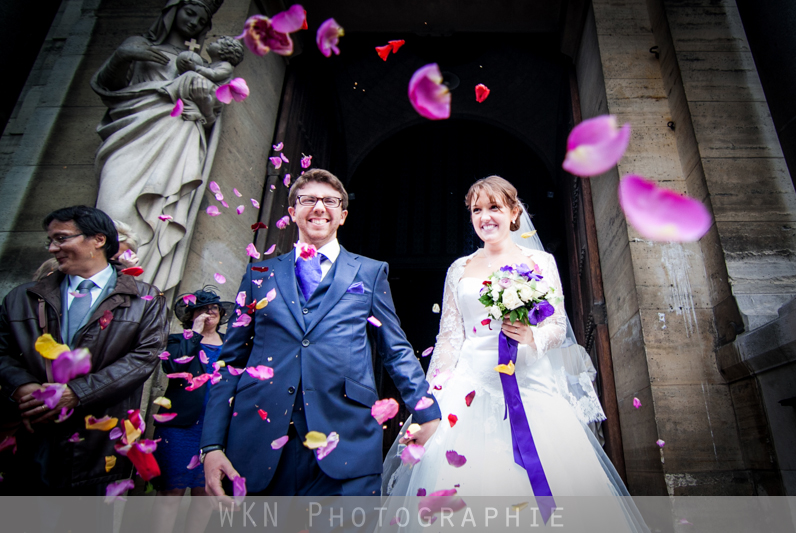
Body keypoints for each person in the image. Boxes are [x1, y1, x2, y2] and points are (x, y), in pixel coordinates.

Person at [383, 176, 648, 531]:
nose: (485, 217)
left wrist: (530, 336)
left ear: (513, 212)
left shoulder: (540, 261)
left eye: (494, 207)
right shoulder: (459, 269)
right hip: (470, 387)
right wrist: (430, 403)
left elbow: (556, 328)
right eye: (477, 210)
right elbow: (448, 339)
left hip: (530, 381)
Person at [201, 169, 441, 497]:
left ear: (342, 215)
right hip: (260, 441)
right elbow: (229, 363)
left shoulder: (370, 273)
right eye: (308, 200)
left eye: (329, 201)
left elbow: (395, 349)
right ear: (292, 212)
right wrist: (211, 445)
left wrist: (426, 410)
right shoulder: (259, 274)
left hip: (347, 440)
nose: (318, 207)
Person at [0, 205, 168, 495]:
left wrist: (76, 394)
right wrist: (22, 388)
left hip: (96, 449)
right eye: (50, 240)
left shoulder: (147, 300)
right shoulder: (22, 298)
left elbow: (143, 359)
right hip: (32, 439)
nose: (53, 248)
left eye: (62, 238)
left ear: (98, 240)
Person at [91, 0, 225, 294]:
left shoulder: (201, 64)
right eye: (190, 12)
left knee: (162, 212)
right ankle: (95, 287)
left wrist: (202, 95)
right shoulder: (137, 45)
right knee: (114, 212)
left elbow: (212, 112)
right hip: (133, 131)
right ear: (172, 11)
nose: (194, 23)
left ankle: (138, 289)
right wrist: (121, 58)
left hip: (178, 136)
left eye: (201, 20)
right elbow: (107, 86)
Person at [150, 287, 233, 533]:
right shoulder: (177, 341)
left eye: (214, 308)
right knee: (171, 493)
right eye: (203, 309)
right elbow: (173, 366)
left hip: (215, 429)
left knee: (205, 494)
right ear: (192, 314)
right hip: (179, 428)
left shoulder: (231, 344)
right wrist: (194, 333)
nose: (210, 312)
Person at [177, 36, 244, 85]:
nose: (212, 42)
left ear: (225, 51)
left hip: (212, 93)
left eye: (216, 42)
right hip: (206, 88)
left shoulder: (226, 66)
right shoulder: (213, 64)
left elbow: (213, 74)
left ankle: (171, 90)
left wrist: (195, 67)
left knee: (190, 75)